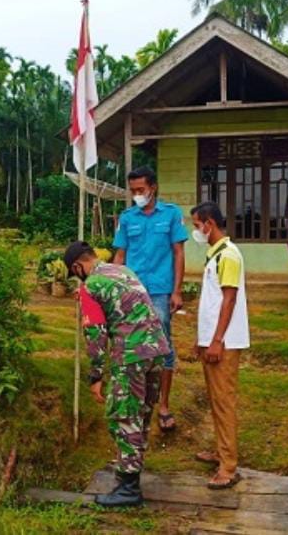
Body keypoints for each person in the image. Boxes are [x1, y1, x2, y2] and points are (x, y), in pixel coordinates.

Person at [64, 240, 170, 508]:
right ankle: (129, 470)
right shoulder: (123, 271)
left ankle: (129, 489)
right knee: (142, 412)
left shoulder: (90, 287)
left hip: (131, 354)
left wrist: (96, 374)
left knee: (123, 415)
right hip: (157, 349)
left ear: (78, 266)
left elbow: (95, 333)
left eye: (74, 273)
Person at [112, 166, 187, 432]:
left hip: (159, 292)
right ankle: (137, 399)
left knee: (163, 346)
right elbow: (120, 256)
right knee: (132, 345)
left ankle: (164, 405)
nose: (137, 195)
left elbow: (178, 253)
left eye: (141, 190)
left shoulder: (171, 215)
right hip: (131, 293)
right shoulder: (127, 217)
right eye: (133, 191)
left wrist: (176, 291)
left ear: (153, 187)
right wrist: (112, 286)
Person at [189, 201, 249, 490]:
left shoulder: (229, 255)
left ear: (208, 224)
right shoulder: (215, 256)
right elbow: (211, 303)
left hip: (224, 342)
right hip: (212, 340)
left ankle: (228, 467)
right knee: (216, 400)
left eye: (196, 224)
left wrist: (215, 341)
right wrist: (200, 340)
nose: (195, 230)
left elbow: (229, 299)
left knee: (224, 402)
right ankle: (221, 452)